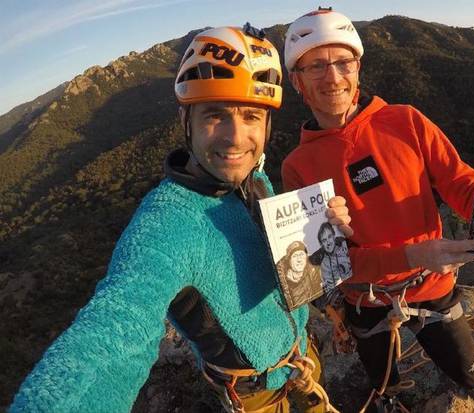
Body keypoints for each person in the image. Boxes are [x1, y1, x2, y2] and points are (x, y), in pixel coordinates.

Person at [10, 24, 352, 413]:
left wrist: (316, 229)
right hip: (255, 393)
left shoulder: (254, 181)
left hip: (301, 358)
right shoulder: (165, 226)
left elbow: (284, 269)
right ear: (186, 120)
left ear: (267, 124)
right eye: (214, 115)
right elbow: (116, 327)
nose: (236, 137)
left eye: (251, 116)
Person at [279, 8, 474, 410]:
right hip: (367, 300)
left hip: (433, 287)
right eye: (315, 66)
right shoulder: (298, 167)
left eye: (342, 62)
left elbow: (461, 183)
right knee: (385, 384)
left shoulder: (406, 122)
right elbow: (331, 264)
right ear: (297, 81)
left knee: (471, 374)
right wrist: (413, 254)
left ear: (358, 67)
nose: (332, 77)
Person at [278, 240, 324, 307]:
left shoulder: (313, 272)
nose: (299, 260)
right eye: (295, 256)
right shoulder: (283, 281)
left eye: (301, 254)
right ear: (289, 260)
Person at [310, 222, 352, 291]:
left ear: (334, 236)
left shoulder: (344, 246)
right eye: (324, 240)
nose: (328, 243)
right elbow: (329, 285)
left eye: (329, 237)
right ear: (321, 244)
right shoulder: (324, 264)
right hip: (340, 291)